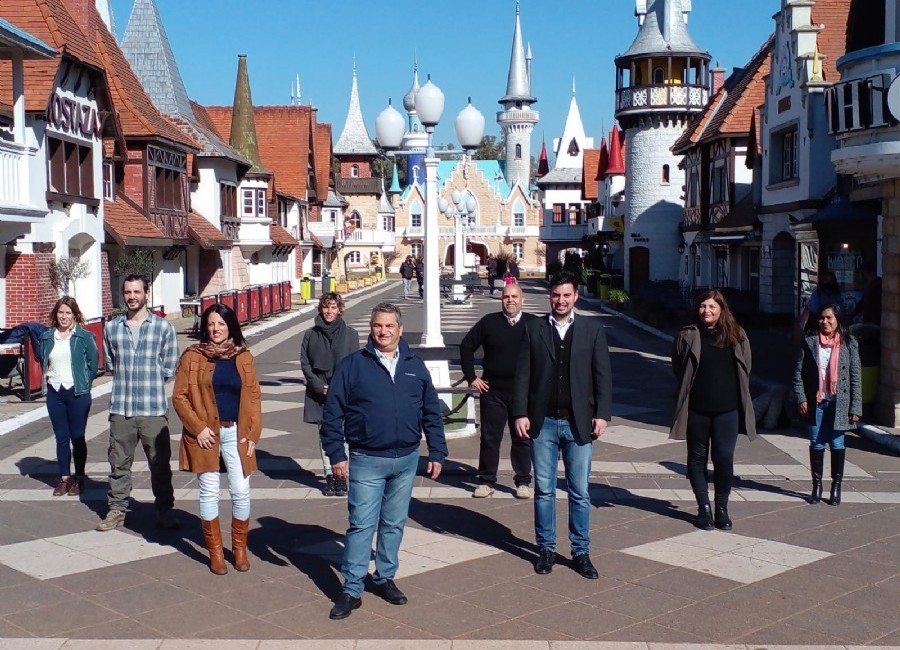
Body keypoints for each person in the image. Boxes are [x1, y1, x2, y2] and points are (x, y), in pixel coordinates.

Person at [321, 302, 447, 619]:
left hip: (405, 459)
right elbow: (332, 413)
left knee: (393, 524)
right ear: (371, 328)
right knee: (361, 526)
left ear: (400, 329)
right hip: (366, 459)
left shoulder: (415, 365)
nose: (384, 331)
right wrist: (337, 454)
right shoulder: (353, 366)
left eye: (390, 326)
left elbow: (431, 410)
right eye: (378, 325)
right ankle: (351, 589)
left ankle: (385, 577)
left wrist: (437, 451)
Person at [513, 272, 612, 579]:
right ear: (550, 297)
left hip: (578, 422)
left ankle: (580, 551)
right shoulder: (533, 329)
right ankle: (545, 548)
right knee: (544, 490)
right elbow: (523, 376)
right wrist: (520, 412)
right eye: (556, 295)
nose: (561, 300)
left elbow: (602, 376)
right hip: (542, 423)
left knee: (580, 491)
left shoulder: (592, 331)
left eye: (566, 295)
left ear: (575, 297)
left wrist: (603, 414)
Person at [172, 304, 262, 574]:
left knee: (241, 490)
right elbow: (179, 396)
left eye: (221, 324)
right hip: (205, 434)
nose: (216, 329)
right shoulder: (193, 356)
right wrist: (198, 428)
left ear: (230, 326)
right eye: (211, 324)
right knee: (209, 491)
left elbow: (255, 396)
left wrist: (253, 433)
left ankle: (240, 549)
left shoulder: (243, 356)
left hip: (237, 432)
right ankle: (215, 553)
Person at [97, 275, 179, 532]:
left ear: (146, 293)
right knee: (118, 464)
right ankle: (117, 510)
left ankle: (164, 510)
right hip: (121, 408)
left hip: (153, 408)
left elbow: (169, 367)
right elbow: (111, 362)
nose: (132, 296)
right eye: (127, 292)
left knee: (160, 464)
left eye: (136, 291)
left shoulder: (163, 328)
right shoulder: (112, 328)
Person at [671, 290, 757, 531]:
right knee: (697, 459)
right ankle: (703, 508)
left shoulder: (737, 335)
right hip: (697, 409)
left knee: (723, 458)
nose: (706, 311)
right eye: (702, 306)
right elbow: (678, 367)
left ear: (721, 310)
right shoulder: (687, 334)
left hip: (727, 410)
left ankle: (722, 508)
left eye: (711, 307)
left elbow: (746, 367)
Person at [460, 282, 535, 499]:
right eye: (506, 297)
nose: (510, 300)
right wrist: (472, 377)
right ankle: (486, 480)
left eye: (514, 297)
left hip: (522, 392)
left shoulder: (534, 324)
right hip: (493, 391)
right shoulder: (489, 323)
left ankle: (522, 482)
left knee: (522, 437)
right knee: (490, 437)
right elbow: (466, 347)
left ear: (522, 300)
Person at [792, 304, 861, 506]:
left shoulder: (849, 343)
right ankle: (817, 486)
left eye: (830, 318)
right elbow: (798, 373)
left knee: (838, 443)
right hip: (816, 402)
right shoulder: (810, 342)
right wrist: (801, 398)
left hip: (839, 402)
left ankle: (836, 487)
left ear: (838, 319)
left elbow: (855, 376)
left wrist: (856, 407)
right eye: (822, 318)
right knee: (816, 442)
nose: (825, 322)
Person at [300, 292, 360, 496]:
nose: (329, 311)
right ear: (320, 309)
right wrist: (319, 386)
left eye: (333, 307)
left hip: (343, 391)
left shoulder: (351, 334)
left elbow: (354, 364)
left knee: (344, 432)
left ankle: (342, 474)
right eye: (326, 307)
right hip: (319, 391)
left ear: (340, 309)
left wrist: (338, 388)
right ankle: (329, 475)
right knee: (324, 433)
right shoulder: (310, 334)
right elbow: (305, 363)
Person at [40, 297, 99, 497]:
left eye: (67, 312)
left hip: (77, 393)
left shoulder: (84, 337)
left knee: (78, 436)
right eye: (60, 313)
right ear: (55, 315)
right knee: (61, 438)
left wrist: (84, 384)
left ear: (74, 314)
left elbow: (93, 364)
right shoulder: (48, 337)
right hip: (55, 392)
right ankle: (64, 478)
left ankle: (80, 478)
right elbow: (43, 360)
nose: (64, 316)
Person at [796, 270, 841, 337]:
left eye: (830, 280)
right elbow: (814, 309)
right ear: (822, 281)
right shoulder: (817, 294)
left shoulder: (837, 294)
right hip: (817, 325)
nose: (828, 282)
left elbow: (840, 309)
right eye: (826, 280)